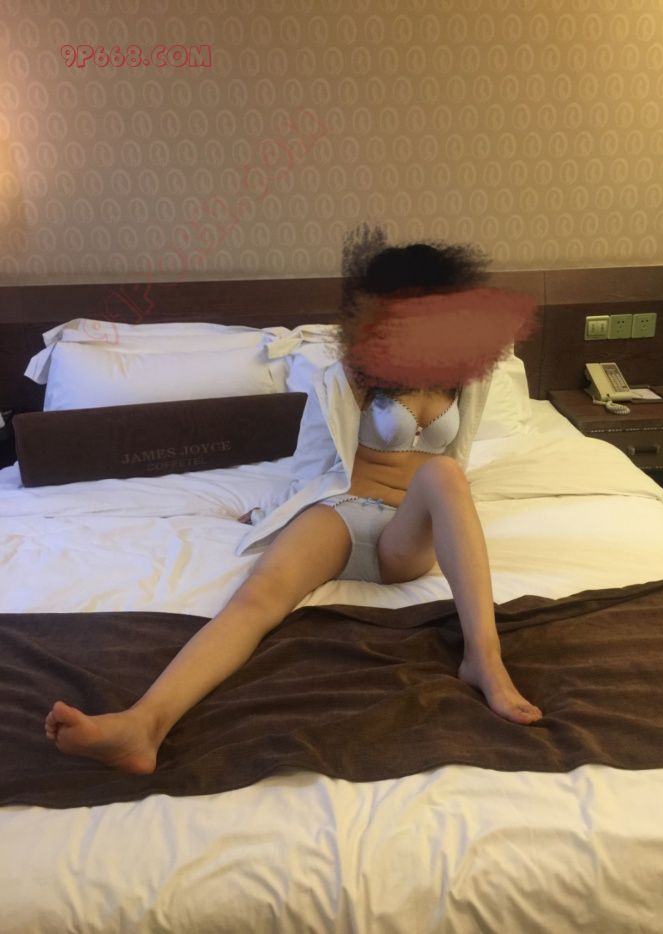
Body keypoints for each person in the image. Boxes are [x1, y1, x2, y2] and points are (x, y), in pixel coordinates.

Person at [44, 225, 543, 775]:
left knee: (444, 474)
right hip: (344, 514)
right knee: (255, 601)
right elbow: (314, 460)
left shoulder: (468, 376)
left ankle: (484, 659)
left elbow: (458, 459)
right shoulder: (353, 373)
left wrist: (453, 517)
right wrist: (273, 512)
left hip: (407, 534)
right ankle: (144, 724)